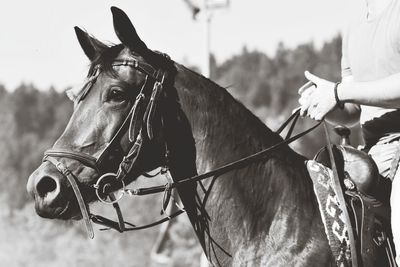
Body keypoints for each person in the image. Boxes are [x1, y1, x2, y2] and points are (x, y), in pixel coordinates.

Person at [298, 0, 400, 263]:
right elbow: (354, 109)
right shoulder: (354, 27)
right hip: (373, 156)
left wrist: (338, 92)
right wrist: (323, 102)